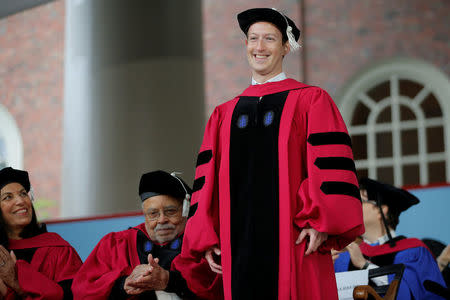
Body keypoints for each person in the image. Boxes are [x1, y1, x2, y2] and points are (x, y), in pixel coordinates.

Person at [172, 7, 364, 300]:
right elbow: (207, 183)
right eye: (253, 39)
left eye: (270, 39)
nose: (259, 47)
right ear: (246, 45)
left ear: (286, 46)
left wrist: (320, 223)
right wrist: (207, 238)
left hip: (295, 241)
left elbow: (328, 169)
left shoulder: (311, 100)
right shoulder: (224, 114)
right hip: (237, 248)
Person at [72, 170, 196, 300]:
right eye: (153, 213)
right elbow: (82, 292)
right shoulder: (116, 244)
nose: (161, 220)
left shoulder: (200, 245)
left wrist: (170, 281)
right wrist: (123, 284)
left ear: (185, 211)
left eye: (170, 211)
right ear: (145, 215)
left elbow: (214, 288)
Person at [334, 177, 447, 299]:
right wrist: (324, 267)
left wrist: (364, 265)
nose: (354, 206)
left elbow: (411, 293)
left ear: (381, 210)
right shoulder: (345, 255)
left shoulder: (415, 252)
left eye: (361, 201)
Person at [0, 167, 82, 299]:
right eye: (8, 197)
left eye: (23, 194)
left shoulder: (58, 249)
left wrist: (17, 283)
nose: (21, 201)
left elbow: (75, 296)